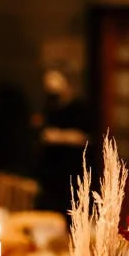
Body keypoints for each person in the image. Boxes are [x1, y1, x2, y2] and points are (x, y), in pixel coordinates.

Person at [34, 67, 90, 218]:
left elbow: (84, 136)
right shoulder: (50, 104)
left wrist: (59, 136)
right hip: (51, 165)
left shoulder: (79, 107)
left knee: (70, 206)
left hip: (71, 164)